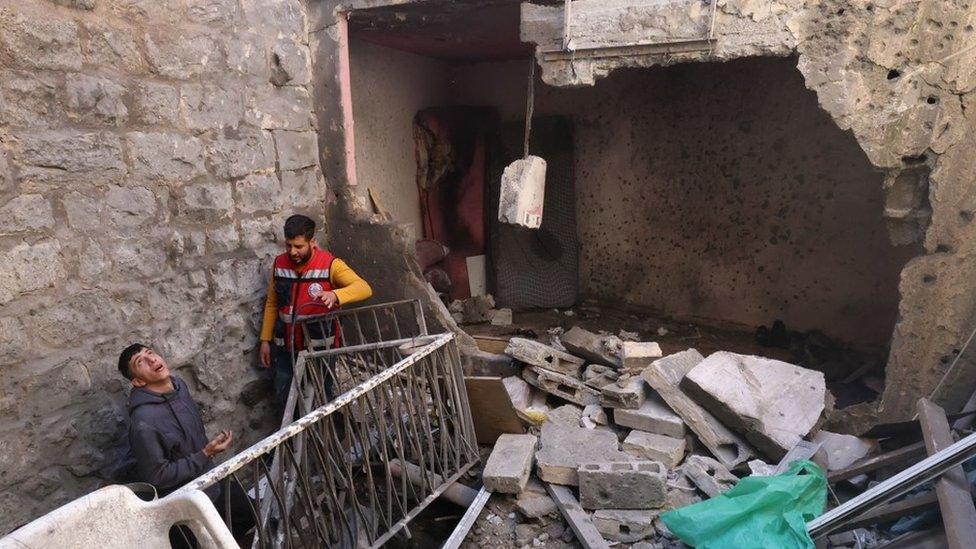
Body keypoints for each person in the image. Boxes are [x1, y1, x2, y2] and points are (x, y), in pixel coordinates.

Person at [118, 344, 254, 546]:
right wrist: (205, 453)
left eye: (150, 353)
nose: (152, 360)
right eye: (141, 362)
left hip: (211, 483)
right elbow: (157, 476)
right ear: (138, 381)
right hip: (182, 505)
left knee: (251, 514)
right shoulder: (144, 422)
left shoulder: (179, 386)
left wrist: (208, 450)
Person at [259, 214, 373, 416]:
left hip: (321, 349)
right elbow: (272, 303)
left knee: (322, 397)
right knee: (285, 399)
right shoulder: (279, 264)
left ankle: (329, 436)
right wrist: (265, 340)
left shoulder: (331, 264)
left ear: (313, 242)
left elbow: (364, 288)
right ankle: (296, 442)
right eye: (288, 246)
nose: (292, 252)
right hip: (287, 348)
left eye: (298, 246)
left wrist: (335, 294)